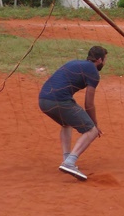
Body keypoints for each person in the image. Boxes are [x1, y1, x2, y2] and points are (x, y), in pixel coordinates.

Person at [38, 45, 107, 180]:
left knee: (66, 124)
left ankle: (66, 158)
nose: (105, 62)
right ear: (99, 60)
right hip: (59, 101)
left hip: (43, 100)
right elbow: (89, 104)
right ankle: (70, 162)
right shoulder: (93, 72)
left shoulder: (75, 62)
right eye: (105, 60)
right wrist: (95, 124)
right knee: (91, 131)